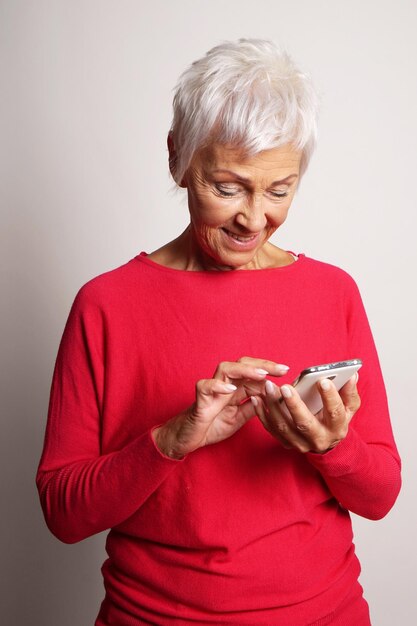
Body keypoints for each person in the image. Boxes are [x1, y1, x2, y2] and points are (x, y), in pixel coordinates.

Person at [36, 39, 401, 625]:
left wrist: (331, 448)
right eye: (227, 188)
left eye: (279, 191)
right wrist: (170, 441)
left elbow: (381, 496)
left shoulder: (334, 292)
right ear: (178, 157)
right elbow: (62, 512)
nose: (253, 219)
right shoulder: (104, 304)